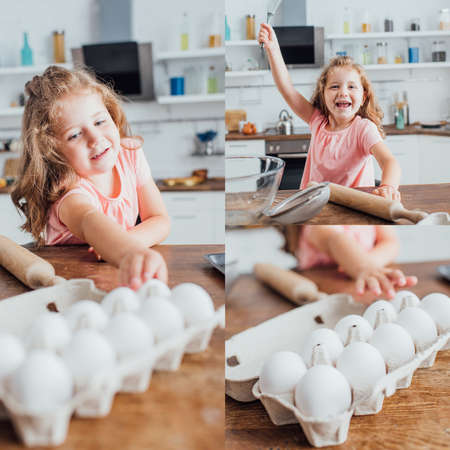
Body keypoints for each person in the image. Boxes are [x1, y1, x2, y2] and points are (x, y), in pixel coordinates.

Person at [11, 66, 170, 290]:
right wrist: (126, 251)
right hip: (69, 287)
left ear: (112, 115)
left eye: (99, 122)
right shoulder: (68, 190)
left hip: (115, 279)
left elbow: (160, 219)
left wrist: (124, 246)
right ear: (52, 151)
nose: (95, 138)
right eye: (75, 134)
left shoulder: (129, 155)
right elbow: (88, 220)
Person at [258, 24, 401, 200]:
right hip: (314, 207)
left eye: (351, 87)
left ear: (363, 97)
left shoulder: (363, 129)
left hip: (352, 210)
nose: (343, 92)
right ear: (323, 94)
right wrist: (272, 49)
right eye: (334, 86)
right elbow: (287, 89)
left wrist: (388, 187)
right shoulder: (317, 121)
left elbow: (390, 162)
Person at [297, 225, 417, 303]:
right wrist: (363, 266)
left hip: (360, 285)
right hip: (322, 293)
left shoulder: (373, 206)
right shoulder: (316, 221)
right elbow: (335, 239)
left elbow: (391, 242)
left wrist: (371, 265)